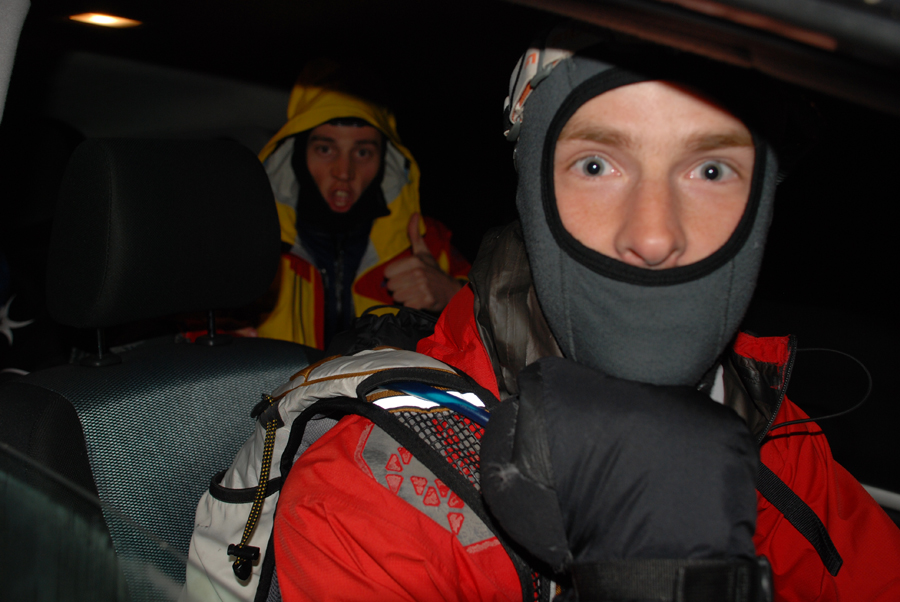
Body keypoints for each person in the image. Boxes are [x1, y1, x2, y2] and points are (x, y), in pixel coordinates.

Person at [270, 33, 900, 601]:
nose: (654, 235)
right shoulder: (372, 499)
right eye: (596, 165)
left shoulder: (775, 429)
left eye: (711, 170)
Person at [255, 71, 469, 349]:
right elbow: (204, 337)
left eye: (363, 152)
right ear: (297, 155)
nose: (344, 171)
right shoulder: (255, 247)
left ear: (386, 161)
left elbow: (503, 332)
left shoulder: (429, 244)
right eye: (325, 149)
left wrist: (452, 295)